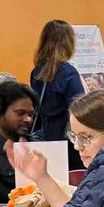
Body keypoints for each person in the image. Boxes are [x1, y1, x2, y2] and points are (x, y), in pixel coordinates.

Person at [8, 88, 104, 207]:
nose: (77, 146)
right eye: (74, 136)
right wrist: (41, 177)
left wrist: (42, 178)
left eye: (86, 137)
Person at [29, 20, 85, 167]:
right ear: (68, 42)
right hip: (67, 141)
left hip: (45, 138)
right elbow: (79, 109)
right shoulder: (69, 73)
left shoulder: (36, 72)